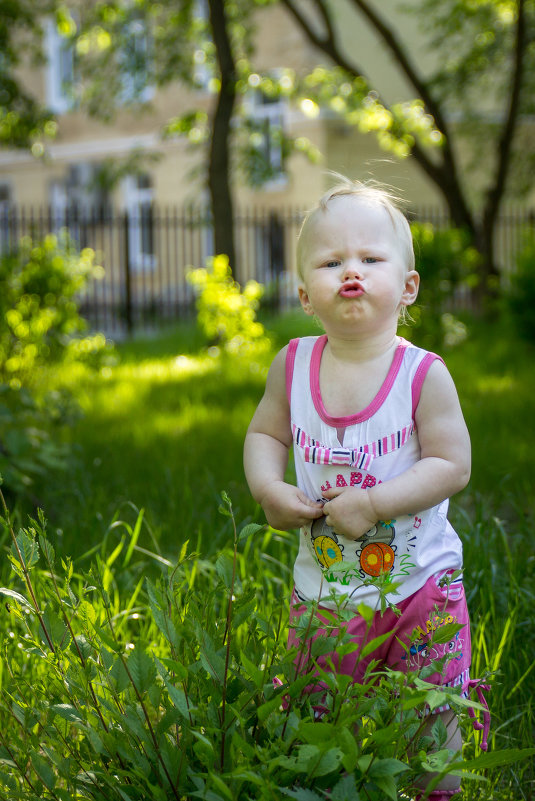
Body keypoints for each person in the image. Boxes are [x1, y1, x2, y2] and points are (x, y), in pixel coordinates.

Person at [244, 177, 488, 800]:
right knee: (320, 717)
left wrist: (376, 503)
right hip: (326, 592)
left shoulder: (422, 375)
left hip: (421, 586)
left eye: (370, 259)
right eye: (331, 262)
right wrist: (269, 488)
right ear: (306, 293)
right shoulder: (293, 365)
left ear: (407, 287)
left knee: (433, 712)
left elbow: (452, 465)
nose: (350, 271)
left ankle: (441, 792)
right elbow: (266, 435)